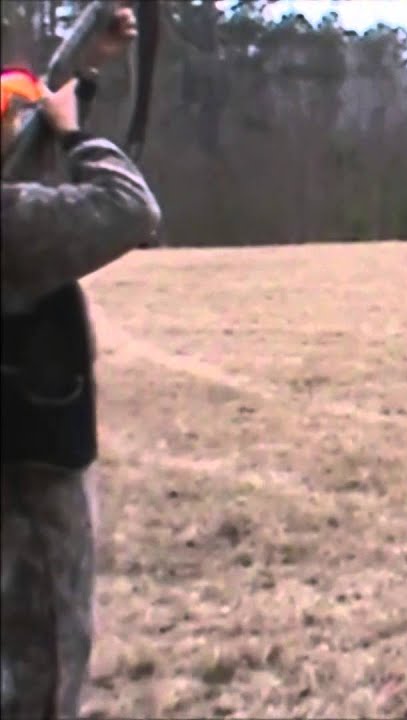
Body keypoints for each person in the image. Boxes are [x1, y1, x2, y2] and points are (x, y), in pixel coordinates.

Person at [1, 7, 162, 718]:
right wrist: (79, 136)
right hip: (33, 461)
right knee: (48, 652)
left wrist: (83, 66)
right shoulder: (14, 228)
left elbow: (22, 166)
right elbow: (129, 209)